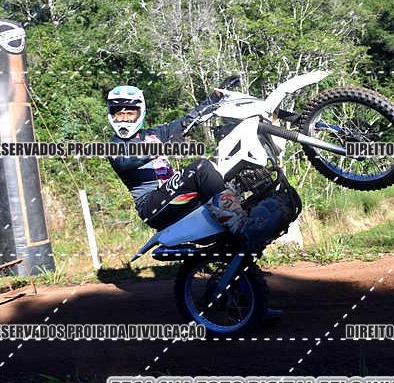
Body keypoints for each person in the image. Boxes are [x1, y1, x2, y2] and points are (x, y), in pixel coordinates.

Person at [105, 84, 284, 319]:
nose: (124, 118)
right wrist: (168, 143)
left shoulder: (154, 134)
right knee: (200, 168)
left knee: (226, 184)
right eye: (119, 113)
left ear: (140, 112)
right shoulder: (114, 147)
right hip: (152, 207)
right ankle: (242, 226)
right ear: (111, 115)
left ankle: (253, 306)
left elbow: (184, 123)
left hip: (174, 199)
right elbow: (126, 160)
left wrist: (213, 100)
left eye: (129, 113)